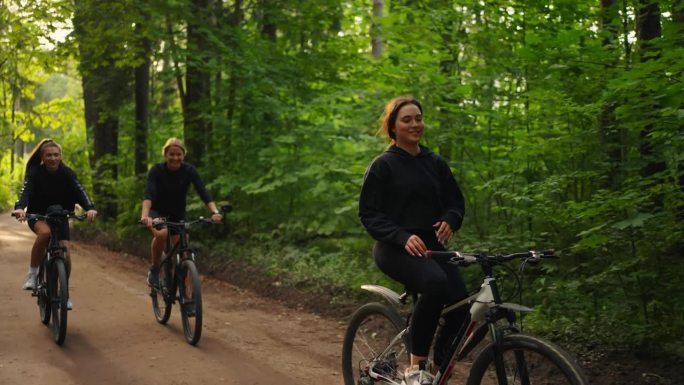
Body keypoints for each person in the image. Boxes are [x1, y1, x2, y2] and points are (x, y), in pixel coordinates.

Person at [358, 96, 468, 385]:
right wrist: (402, 236)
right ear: (393, 127)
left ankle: (440, 367)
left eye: (418, 118)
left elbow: (455, 202)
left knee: (463, 305)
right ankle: (415, 368)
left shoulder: (435, 162)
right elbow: (369, 214)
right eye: (407, 119)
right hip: (393, 248)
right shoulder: (383, 165)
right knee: (435, 283)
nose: (415, 124)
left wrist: (450, 219)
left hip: (432, 249)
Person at [11, 138, 98, 309]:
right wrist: (20, 207)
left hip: (60, 217)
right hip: (38, 216)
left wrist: (90, 208)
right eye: (49, 155)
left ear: (60, 156)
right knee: (45, 234)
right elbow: (25, 191)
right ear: (42, 157)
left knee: (65, 253)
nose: (53, 158)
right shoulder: (35, 173)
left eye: (56, 155)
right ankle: (33, 274)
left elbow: (80, 191)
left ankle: (63, 293)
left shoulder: (67, 173)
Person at [139, 137, 222, 286]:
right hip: (157, 212)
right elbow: (149, 194)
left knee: (184, 249)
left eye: (179, 154)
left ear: (184, 155)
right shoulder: (157, 170)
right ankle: (155, 269)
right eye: (171, 154)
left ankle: (187, 294)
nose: (175, 158)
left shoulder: (189, 171)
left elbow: (203, 192)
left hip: (178, 213)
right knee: (162, 234)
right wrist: (145, 215)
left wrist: (214, 212)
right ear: (165, 155)